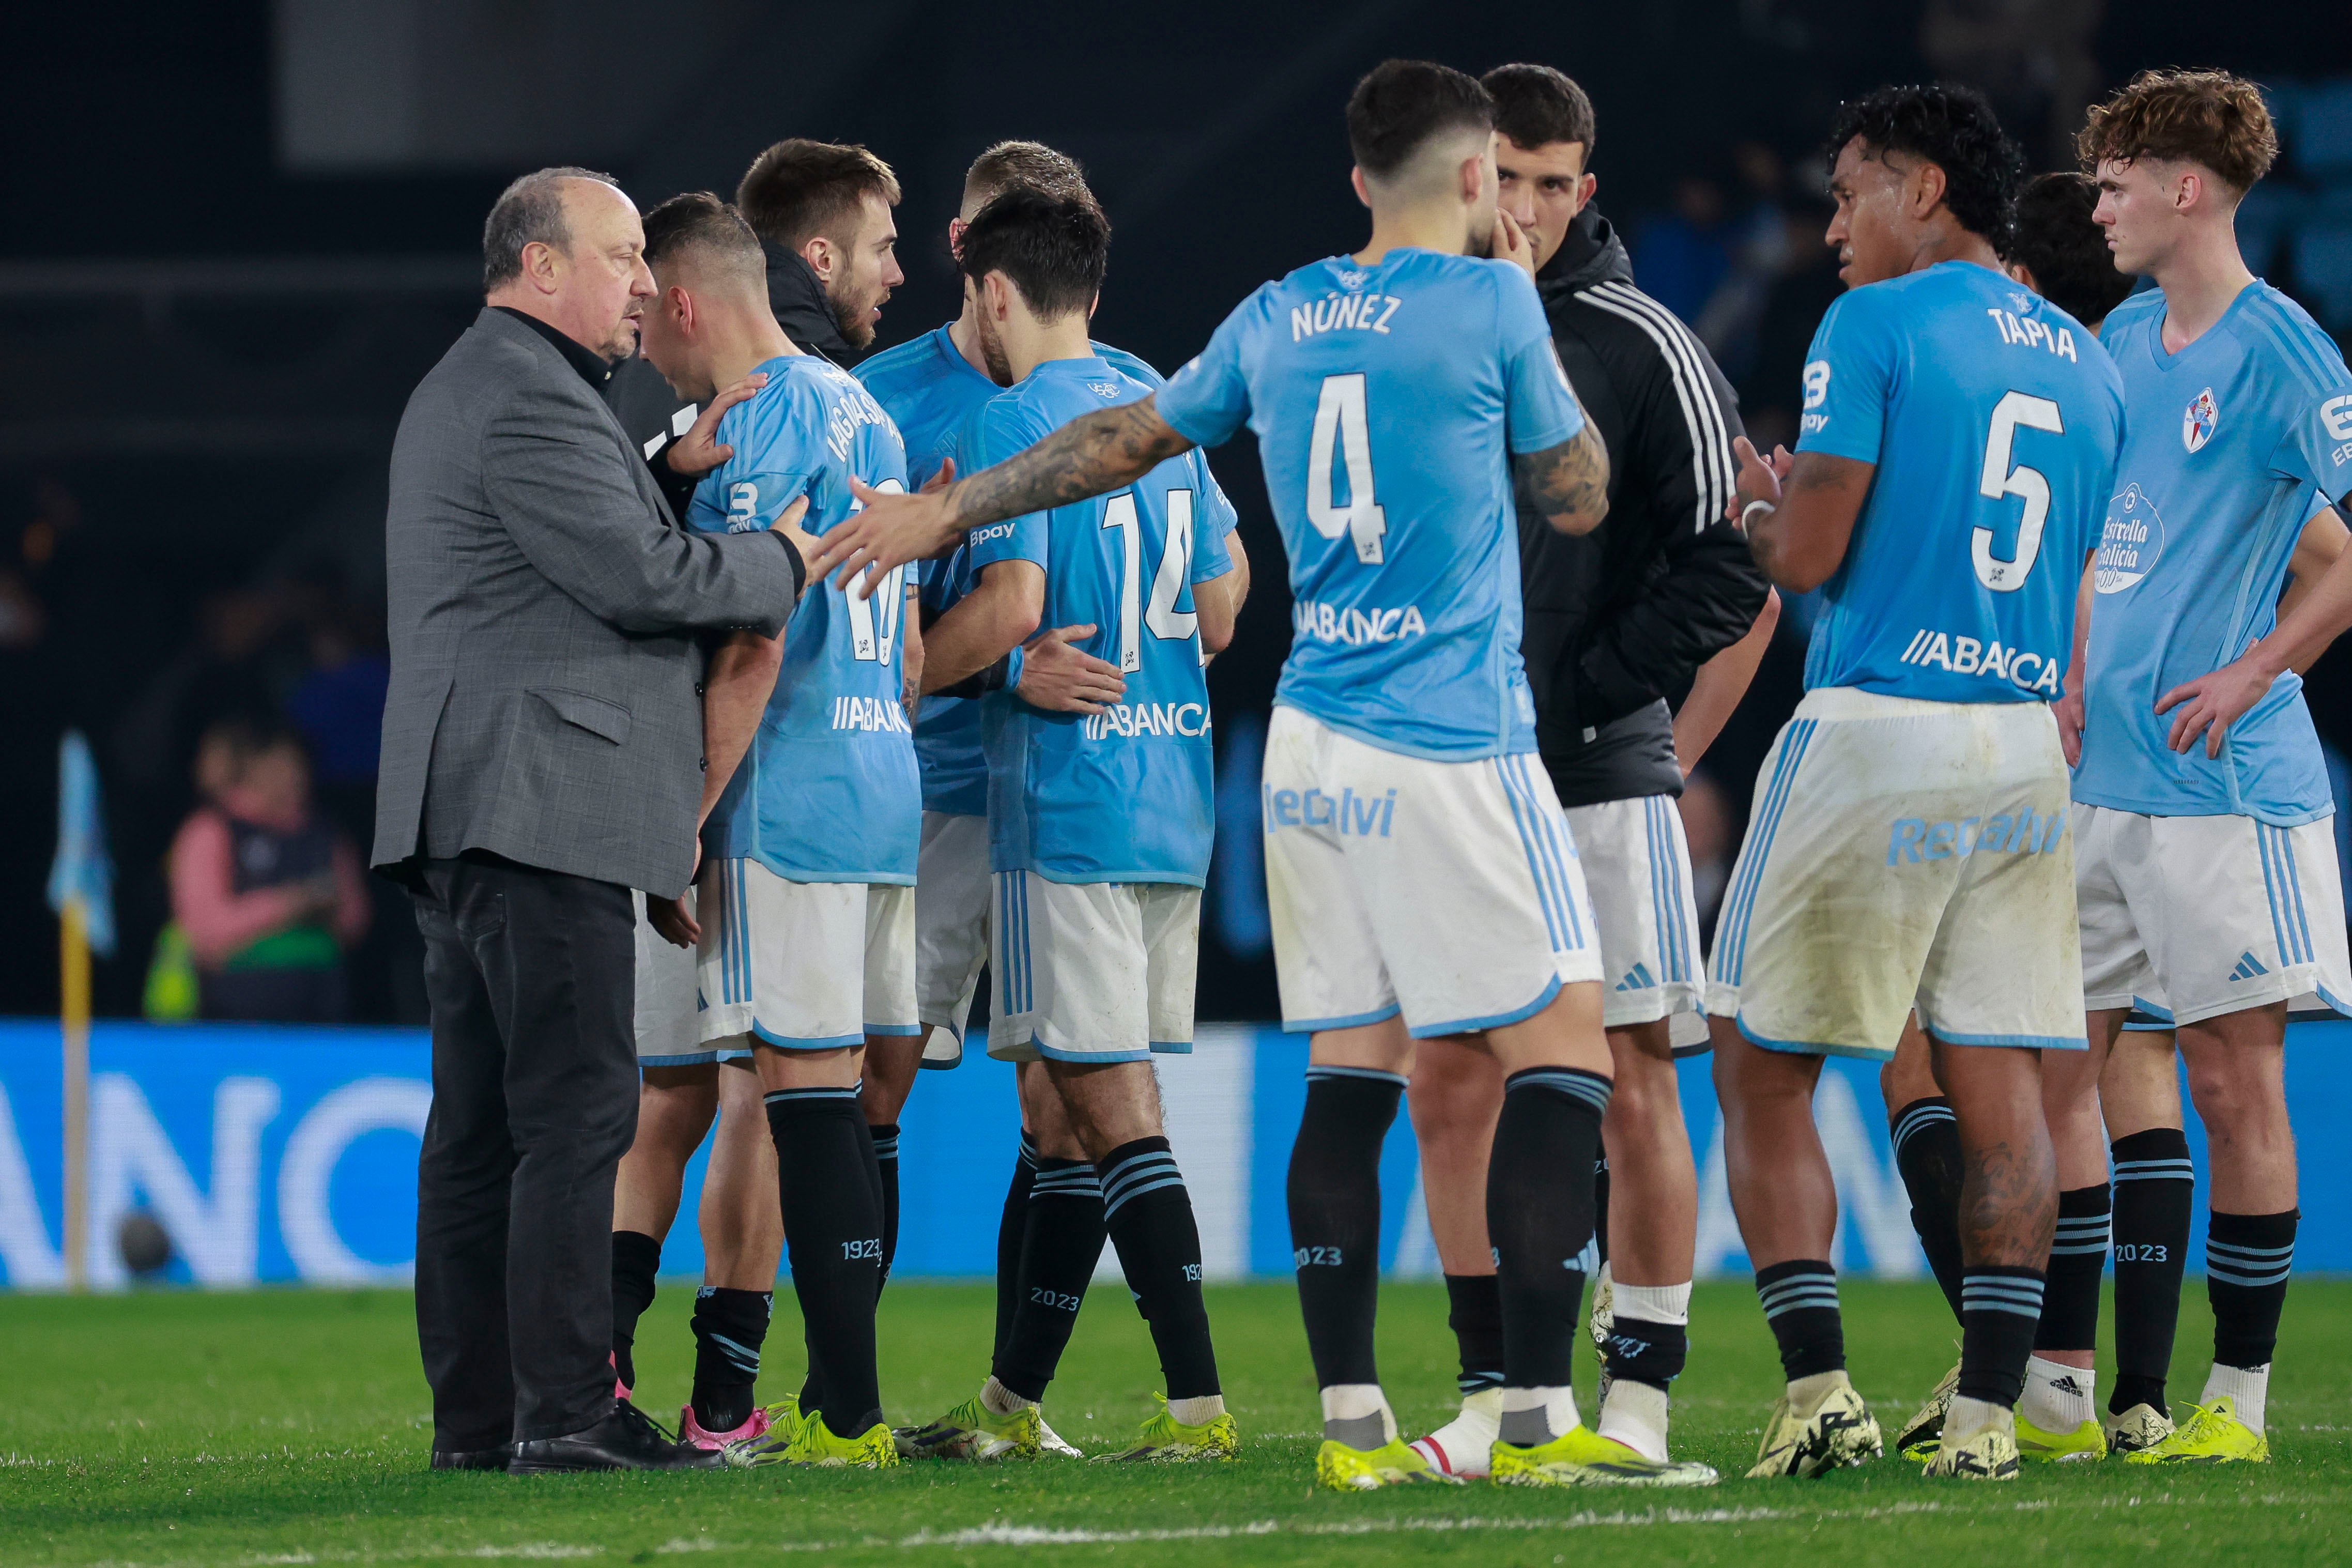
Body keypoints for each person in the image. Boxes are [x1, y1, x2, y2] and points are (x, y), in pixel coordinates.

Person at [805, 58, 1628, 1492]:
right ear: (1479, 179)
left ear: (1359, 179)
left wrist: (949, 504)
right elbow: (1574, 490)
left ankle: (1355, 1423)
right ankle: (1532, 1415)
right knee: (1563, 1049)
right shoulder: (1492, 298)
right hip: (1440, 730)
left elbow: (1119, 444)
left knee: (1350, 1066)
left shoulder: (1275, 315)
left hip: (1308, 750)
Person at [1709, 84, 2121, 1482]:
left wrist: (1755, 507)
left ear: (1923, 188)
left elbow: (1808, 555)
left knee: (1758, 1066)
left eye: (1845, 193)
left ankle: (1817, 1387)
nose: (1828, 229)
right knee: (1998, 1076)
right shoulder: (2086, 362)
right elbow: (2061, 579)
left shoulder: (1870, 326)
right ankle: (1994, 1414)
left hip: (1875, 726)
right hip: (2013, 743)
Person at [377, 166, 804, 1474]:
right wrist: (786, 558)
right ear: (541, 267)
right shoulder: (530, 400)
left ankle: (482, 1419)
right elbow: (638, 578)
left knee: (484, 1129)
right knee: (573, 1113)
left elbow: (565, 552)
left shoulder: (501, 388)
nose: (641, 282)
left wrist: (660, 469)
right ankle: (564, 1411)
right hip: (532, 803)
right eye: (620, 257)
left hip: (478, 804)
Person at [1399, 63, 1771, 1484]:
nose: (1534, 208)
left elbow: (1728, 567)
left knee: (1625, 1078)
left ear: (1584, 189)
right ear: (1464, 174)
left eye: (1559, 182)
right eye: (1510, 175)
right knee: (1446, 1081)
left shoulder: (1638, 342)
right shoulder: (1417, 329)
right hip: (1452, 774)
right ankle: (1499, 1396)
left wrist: (1595, 697)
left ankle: (1638, 1406)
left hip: (1595, 774)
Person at [858, 139, 1244, 1462]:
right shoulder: (1157, 401)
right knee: (1065, 1108)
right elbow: (1221, 599)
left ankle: (1196, 1405)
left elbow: (1011, 605)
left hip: (1060, 803)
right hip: (1169, 792)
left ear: (996, 288)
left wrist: (905, 671)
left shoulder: (1009, 423)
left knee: (1105, 1093)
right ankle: (1014, 1408)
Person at [2050, 68, 2352, 1465]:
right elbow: (2098, 533)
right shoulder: (2116, 337)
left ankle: (2230, 1403)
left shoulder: (2284, 352)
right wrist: (2062, 671)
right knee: (2071, 1072)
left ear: (2184, 189)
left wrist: (2251, 668)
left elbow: (2343, 558)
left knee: (2233, 1084)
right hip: (2099, 782)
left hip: (2222, 790)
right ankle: (2086, 1385)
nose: (2095, 204)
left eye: (2114, 182)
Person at [623, 192, 921, 1470]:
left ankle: (843, 1415)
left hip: (784, 798)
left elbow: (749, 639)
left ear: (687, 302)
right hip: (880, 783)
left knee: (790, 1090)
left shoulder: (758, 419)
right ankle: (812, 1405)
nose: (649, 352)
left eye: (652, 327)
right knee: (831, 1093)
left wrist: (679, 820)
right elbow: (902, 647)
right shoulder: (868, 410)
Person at [1879, 165, 2139, 1463]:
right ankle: (2073, 1381)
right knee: (2070, 1074)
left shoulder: (2013, 374)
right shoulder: (2113, 379)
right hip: (2088, 753)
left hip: (2016, 736)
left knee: (1956, 1068)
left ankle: (2032, 1370)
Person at [170, 720, 371, 1022]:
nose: (293, 776)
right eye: (279, 765)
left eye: (299, 765)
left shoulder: (326, 834)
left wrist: (326, 909)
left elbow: (355, 921)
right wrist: (291, 904)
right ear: (250, 768)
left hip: (323, 1013)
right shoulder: (212, 830)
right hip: (233, 1016)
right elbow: (204, 930)